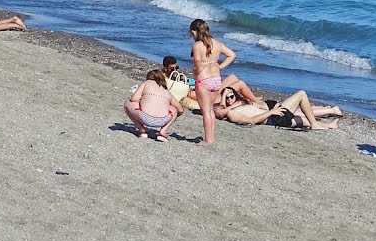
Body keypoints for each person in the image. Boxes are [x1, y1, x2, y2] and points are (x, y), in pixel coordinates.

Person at [189, 18, 234, 145]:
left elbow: (197, 61)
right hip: (216, 79)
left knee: (206, 111)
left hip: (203, 80)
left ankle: (208, 139)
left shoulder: (197, 45)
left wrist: (197, 72)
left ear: (194, 32)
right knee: (210, 110)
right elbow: (231, 55)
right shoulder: (218, 44)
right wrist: (219, 66)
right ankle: (211, 137)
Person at [212, 87, 340, 130]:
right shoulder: (232, 114)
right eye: (226, 98)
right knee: (301, 94)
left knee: (303, 120)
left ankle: (329, 125)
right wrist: (271, 112)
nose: (229, 99)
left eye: (231, 96)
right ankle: (316, 125)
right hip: (273, 118)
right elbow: (252, 121)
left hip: (275, 116)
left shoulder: (241, 105)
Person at [124, 69, 183, 141]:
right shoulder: (166, 90)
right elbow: (180, 109)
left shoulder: (147, 83)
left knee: (127, 103)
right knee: (174, 109)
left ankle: (142, 129)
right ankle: (163, 131)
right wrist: (171, 117)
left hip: (145, 117)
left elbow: (133, 99)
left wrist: (143, 100)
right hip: (162, 120)